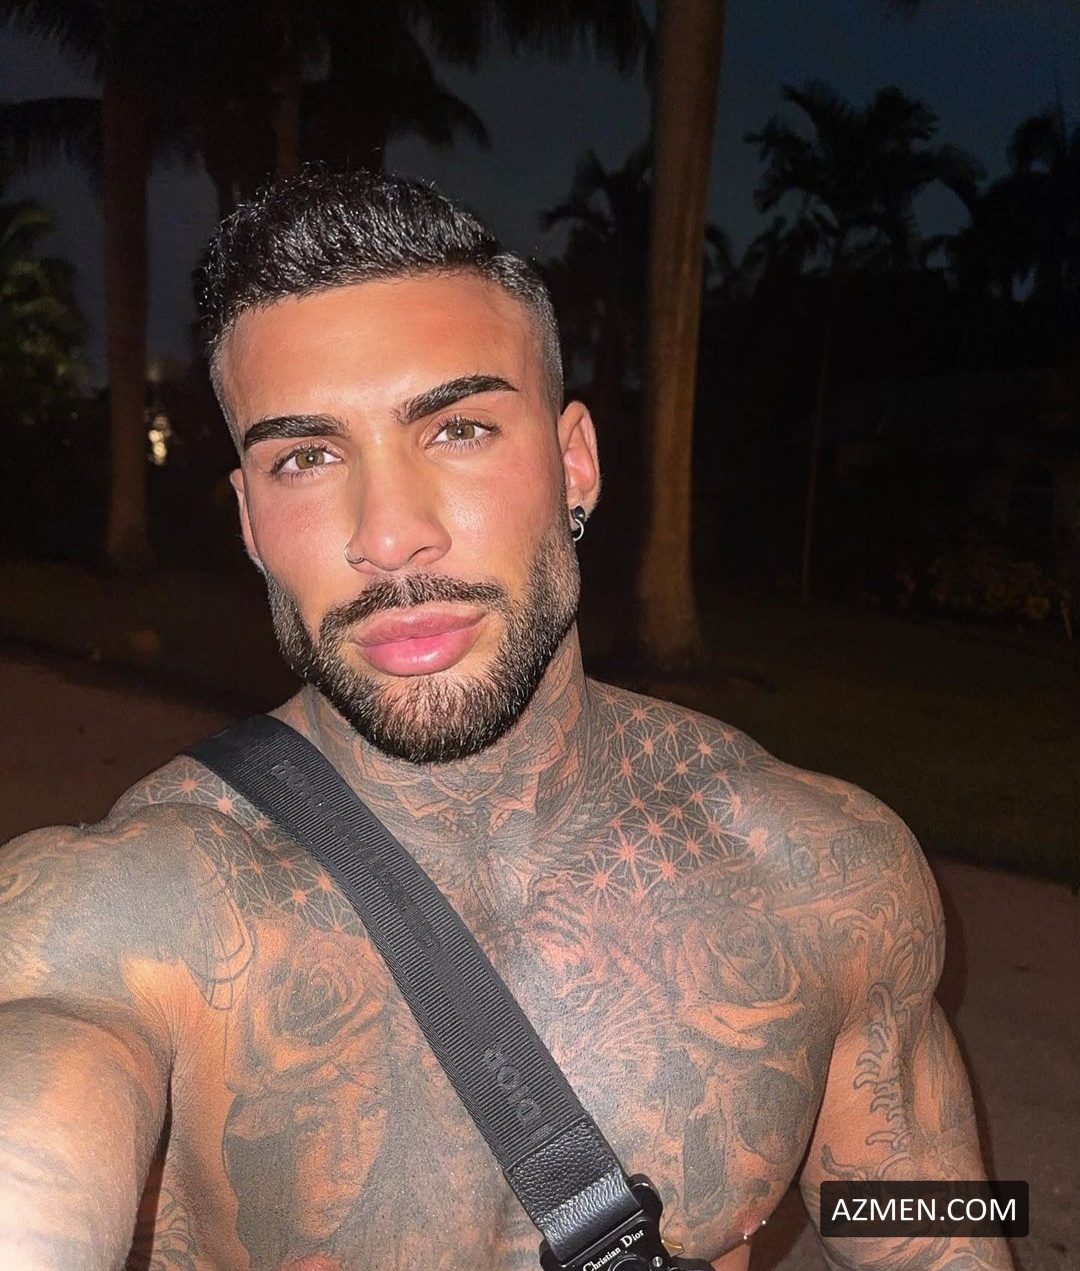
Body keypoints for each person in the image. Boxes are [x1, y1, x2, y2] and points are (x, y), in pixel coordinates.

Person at [0, 169, 1012, 1271]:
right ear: (249, 519)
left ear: (574, 463)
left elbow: (926, 1227)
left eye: (459, 428)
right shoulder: (133, 908)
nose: (390, 535)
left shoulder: (825, 872)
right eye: (306, 457)